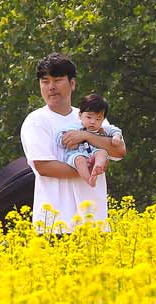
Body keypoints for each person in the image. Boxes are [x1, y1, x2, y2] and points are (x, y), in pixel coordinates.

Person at [20, 56, 128, 229]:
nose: (51, 87)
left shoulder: (90, 116)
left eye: (58, 80)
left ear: (72, 83)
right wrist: (90, 170)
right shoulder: (36, 121)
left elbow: (119, 150)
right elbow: (44, 166)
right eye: (45, 81)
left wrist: (86, 136)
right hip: (55, 225)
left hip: (94, 222)